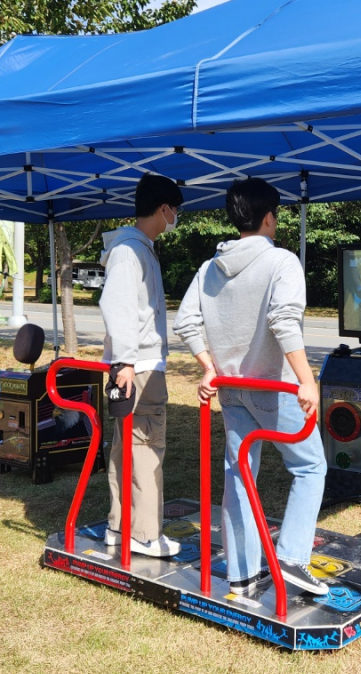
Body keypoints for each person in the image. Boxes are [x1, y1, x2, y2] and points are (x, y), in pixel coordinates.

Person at [174, 178, 329, 596]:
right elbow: (283, 321)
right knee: (311, 466)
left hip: (230, 386)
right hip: (273, 387)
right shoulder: (281, 262)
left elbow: (186, 321)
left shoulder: (210, 268)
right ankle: (293, 558)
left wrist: (208, 366)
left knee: (239, 475)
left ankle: (242, 574)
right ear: (268, 218)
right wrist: (307, 380)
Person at [96, 172, 185, 558]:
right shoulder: (130, 251)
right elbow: (117, 306)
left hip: (134, 364)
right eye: (175, 210)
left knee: (126, 446)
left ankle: (120, 526)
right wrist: (126, 362)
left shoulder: (134, 248)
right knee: (146, 448)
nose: (176, 217)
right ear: (164, 209)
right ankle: (145, 534)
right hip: (139, 367)